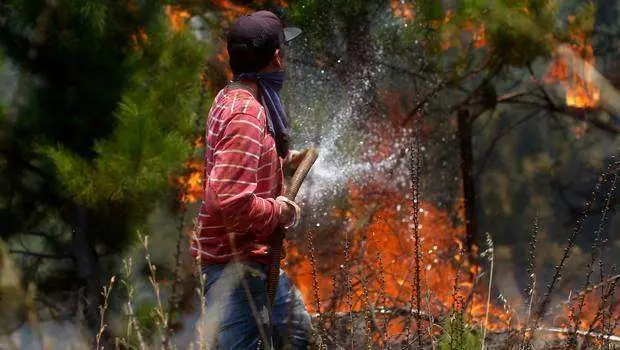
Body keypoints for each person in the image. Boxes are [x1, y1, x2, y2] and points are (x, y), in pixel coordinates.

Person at [191, 10, 311, 349]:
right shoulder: (246, 115)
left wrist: (282, 161)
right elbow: (228, 201)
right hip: (233, 268)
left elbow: (243, 162)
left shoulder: (236, 97)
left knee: (295, 332)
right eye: (282, 50)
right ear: (275, 56)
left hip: (251, 260)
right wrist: (278, 211)